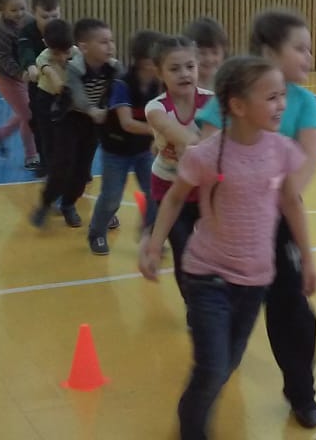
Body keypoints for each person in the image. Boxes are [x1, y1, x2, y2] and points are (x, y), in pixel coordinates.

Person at [140, 56, 316, 440]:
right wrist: (153, 245)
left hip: (254, 281)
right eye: (271, 97)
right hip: (208, 276)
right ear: (237, 105)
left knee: (227, 363)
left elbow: (291, 203)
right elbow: (174, 198)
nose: (281, 105)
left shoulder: (281, 150)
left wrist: (307, 259)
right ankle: (192, 431)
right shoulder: (206, 154)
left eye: (282, 96)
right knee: (213, 367)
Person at [197, 9, 316, 428]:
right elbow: (208, 151)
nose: (308, 56)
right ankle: (214, 377)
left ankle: (301, 391)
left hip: (278, 222)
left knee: (292, 311)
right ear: (269, 52)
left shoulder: (304, 103)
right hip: (230, 223)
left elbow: (306, 162)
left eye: (309, 48)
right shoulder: (232, 96)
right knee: (231, 307)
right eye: (299, 48)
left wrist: (277, 195)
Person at [144, 34, 212, 325]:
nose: (184, 73)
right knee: (183, 251)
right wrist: (197, 144)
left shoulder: (212, 101)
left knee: (215, 250)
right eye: (174, 69)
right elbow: (187, 140)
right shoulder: (156, 108)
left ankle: (218, 297)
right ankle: (193, 304)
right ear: (160, 73)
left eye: (190, 66)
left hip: (207, 190)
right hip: (170, 187)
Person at [30, 18, 120, 229]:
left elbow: (122, 86)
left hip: (92, 123)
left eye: (111, 41)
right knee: (61, 166)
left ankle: (68, 204)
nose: (110, 46)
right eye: (103, 42)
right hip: (68, 119)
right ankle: (45, 203)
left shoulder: (113, 67)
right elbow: (77, 95)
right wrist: (92, 110)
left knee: (82, 172)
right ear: (85, 47)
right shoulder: (75, 67)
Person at [87, 30, 163, 255]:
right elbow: (127, 123)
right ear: (144, 61)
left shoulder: (159, 84)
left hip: (143, 149)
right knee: (111, 198)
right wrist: (163, 131)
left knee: (155, 193)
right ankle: (96, 233)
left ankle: (150, 235)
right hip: (116, 150)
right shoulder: (122, 83)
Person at [0, 0, 39, 171]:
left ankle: (1, 134)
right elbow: (5, 58)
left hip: (26, 75)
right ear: (2, 10)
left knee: (25, 112)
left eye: (22, 8)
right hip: (8, 78)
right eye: (13, 10)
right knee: (30, 115)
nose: (19, 13)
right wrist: (20, 73)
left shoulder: (29, 21)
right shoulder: (2, 29)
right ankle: (31, 156)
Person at [17, 0, 62, 175]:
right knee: (39, 123)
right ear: (34, 13)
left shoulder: (63, 30)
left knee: (64, 125)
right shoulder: (27, 31)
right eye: (45, 17)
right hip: (39, 87)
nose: (50, 21)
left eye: (55, 16)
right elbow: (25, 50)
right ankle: (45, 161)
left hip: (60, 87)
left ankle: (70, 163)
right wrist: (30, 66)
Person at [32, 19, 78, 175]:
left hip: (68, 99)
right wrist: (55, 75)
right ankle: (48, 166)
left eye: (66, 52)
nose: (62, 57)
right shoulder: (43, 57)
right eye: (57, 53)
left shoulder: (77, 54)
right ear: (45, 43)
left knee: (70, 135)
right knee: (47, 135)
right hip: (46, 97)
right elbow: (50, 74)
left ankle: (77, 167)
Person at [183, 17, 229, 91]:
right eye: (202, 53)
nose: (209, 59)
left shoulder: (230, 86)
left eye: (215, 52)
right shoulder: (181, 88)